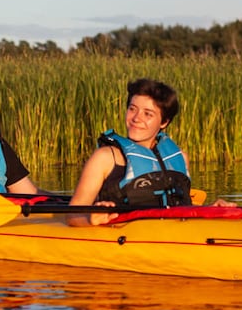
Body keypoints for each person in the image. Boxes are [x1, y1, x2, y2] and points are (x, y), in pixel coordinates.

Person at [68, 78, 231, 226]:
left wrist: (209, 210)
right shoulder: (105, 157)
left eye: (148, 114)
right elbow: (73, 216)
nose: (136, 118)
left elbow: (180, 209)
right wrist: (91, 222)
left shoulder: (180, 157)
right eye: (132, 109)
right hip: (123, 240)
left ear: (164, 122)